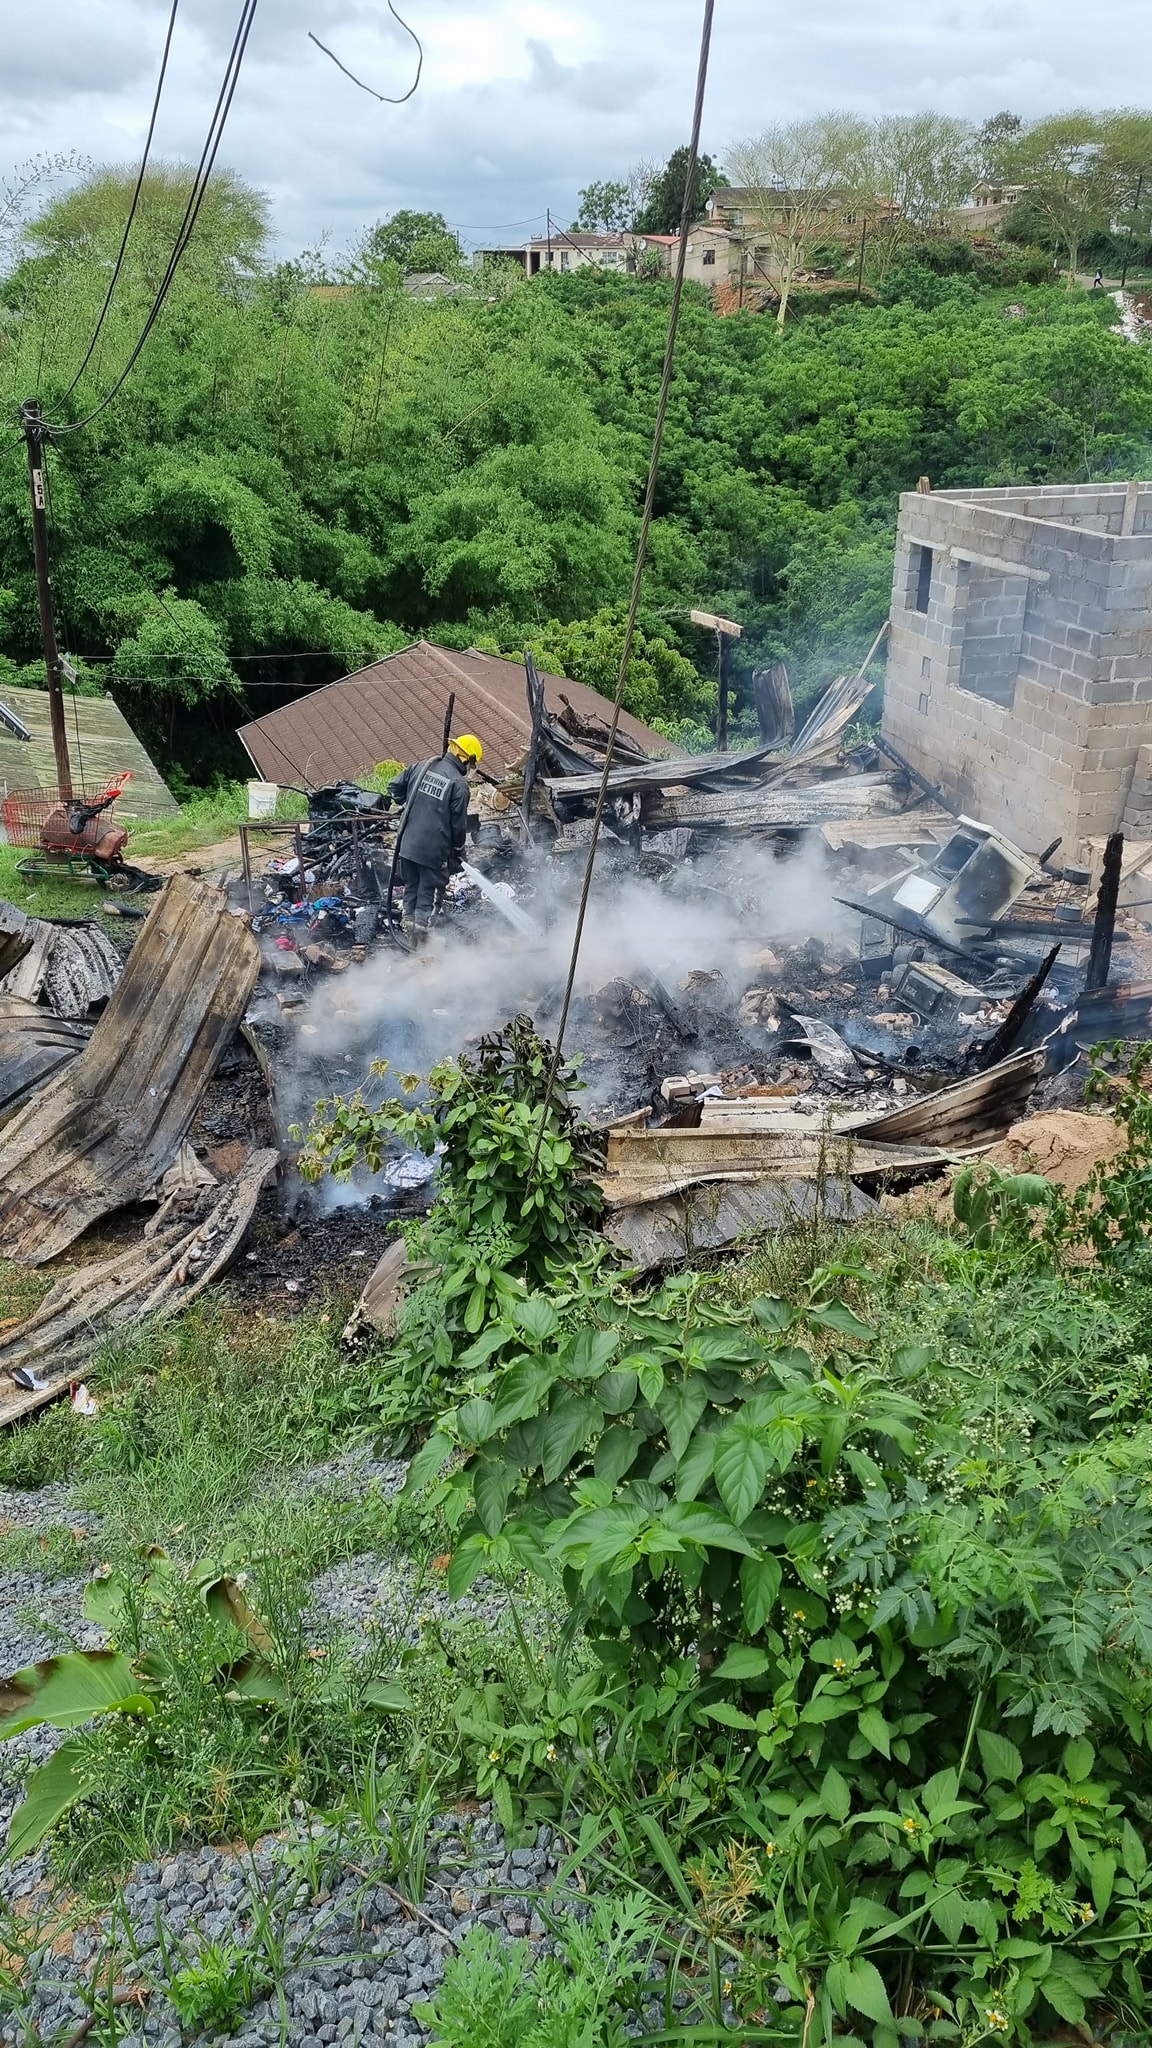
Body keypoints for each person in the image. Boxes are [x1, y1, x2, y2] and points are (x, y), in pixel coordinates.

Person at [387, 735, 483, 944]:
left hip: (407, 844)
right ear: (467, 759)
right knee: (429, 893)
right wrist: (459, 851)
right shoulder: (459, 785)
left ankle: (409, 932)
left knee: (412, 885)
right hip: (433, 850)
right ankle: (421, 942)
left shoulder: (420, 766)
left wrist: (408, 803)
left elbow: (394, 786)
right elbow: (459, 826)